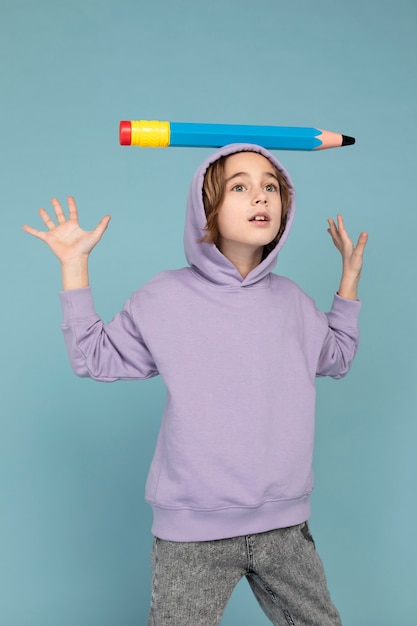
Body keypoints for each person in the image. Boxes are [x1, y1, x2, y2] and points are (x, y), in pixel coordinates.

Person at [23, 143, 368, 626]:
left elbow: (337, 357)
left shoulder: (292, 301)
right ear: (207, 209)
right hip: (192, 532)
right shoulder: (163, 297)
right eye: (240, 187)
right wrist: (74, 266)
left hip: (284, 526)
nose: (261, 197)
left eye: (271, 186)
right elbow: (94, 358)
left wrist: (348, 282)